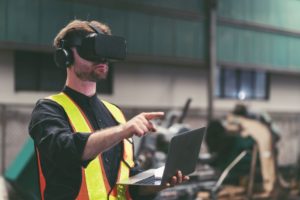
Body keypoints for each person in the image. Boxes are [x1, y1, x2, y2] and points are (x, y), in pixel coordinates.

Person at [28, 19, 188, 200]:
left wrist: (156, 184)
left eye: (105, 52)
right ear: (66, 56)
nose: (102, 59)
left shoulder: (115, 113)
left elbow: (125, 181)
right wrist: (123, 130)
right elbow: (66, 151)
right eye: (91, 51)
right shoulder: (48, 109)